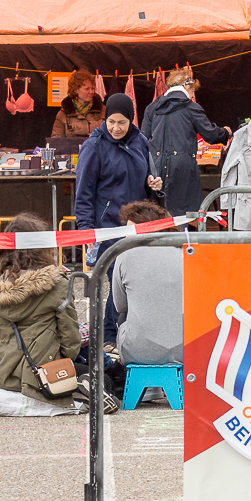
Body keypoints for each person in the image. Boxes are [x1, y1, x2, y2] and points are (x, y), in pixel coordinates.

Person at [74, 93, 162, 349]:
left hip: (136, 225)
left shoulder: (140, 141)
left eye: (122, 122)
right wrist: (86, 230)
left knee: (132, 279)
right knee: (117, 279)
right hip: (107, 226)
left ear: (131, 120)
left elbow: (147, 176)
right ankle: (109, 335)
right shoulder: (93, 146)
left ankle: (120, 332)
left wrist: (154, 183)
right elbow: (83, 192)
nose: (115, 128)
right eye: (111, 121)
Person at [0, 213, 82, 416]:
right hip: (40, 380)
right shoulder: (57, 285)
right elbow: (71, 343)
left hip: (0, 376)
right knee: (95, 375)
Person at [140, 70, 232, 217]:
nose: (193, 95)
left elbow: (143, 139)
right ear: (187, 87)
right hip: (182, 167)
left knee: (157, 214)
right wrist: (225, 132)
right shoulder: (191, 107)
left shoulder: (152, 108)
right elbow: (211, 135)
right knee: (184, 215)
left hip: (155, 168)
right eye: (193, 91)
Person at [111, 202, 182, 365]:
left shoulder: (124, 255)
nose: (126, 238)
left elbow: (120, 306)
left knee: (123, 316)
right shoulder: (185, 253)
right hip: (188, 347)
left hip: (140, 350)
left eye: (130, 232)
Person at [51, 69, 103, 138]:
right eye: (87, 89)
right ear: (75, 90)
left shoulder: (103, 111)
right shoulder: (63, 114)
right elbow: (56, 140)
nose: (91, 92)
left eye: (92, 88)